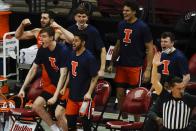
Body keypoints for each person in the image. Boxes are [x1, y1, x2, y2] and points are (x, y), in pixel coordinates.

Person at [107, 0, 154, 118]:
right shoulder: (121, 24)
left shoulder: (143, 27)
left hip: (136, 66)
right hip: (122, 65)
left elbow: (150, 49)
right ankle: (123, 120)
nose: (124, 12)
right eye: (123, 10)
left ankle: (136, 123)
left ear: (134, 12)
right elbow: (118, 45)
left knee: (135, 96)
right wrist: (112, 62)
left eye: (127, 10)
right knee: (119, 94)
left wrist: (148, 69)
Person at [18, 27, 69, 131]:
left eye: (44, 36)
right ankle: (54, 129)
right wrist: (22, 88)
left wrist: (55, 96)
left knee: (59, 114)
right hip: (53, 85)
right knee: (36, 105)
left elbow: (63, 75)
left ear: (52, 37)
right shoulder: (42, 49)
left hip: (66, 86)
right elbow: (33, 69)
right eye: (40, 36)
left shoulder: (63, 50)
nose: (41, 39)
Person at [60, 32, 99, 131]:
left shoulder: (89, 57)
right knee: (71, 126)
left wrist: (89, 93)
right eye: (73, 40)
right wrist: (64, 87)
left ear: (83, 42)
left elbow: (95, 77)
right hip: (72, 97)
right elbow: (70, 72)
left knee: (86, 126)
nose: (73, 43)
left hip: (85, 99)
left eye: (76, 41)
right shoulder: (72, 54)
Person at [148, 52, 196, 131]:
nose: (181, 90)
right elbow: (155, 82)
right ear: (171, 88)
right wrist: (155, 66)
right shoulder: (165, 96)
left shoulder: (188, 98)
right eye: (178, 88)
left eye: (182, 88)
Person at [68, 8, 106, 77]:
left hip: (89, 66)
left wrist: (102, 69)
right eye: (79, 16)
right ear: (75, 17)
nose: (81, 19)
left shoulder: (93, 31)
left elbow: (103, 50)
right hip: (75, 65)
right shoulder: (70, 30)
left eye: (84, 16)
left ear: (87, 18)